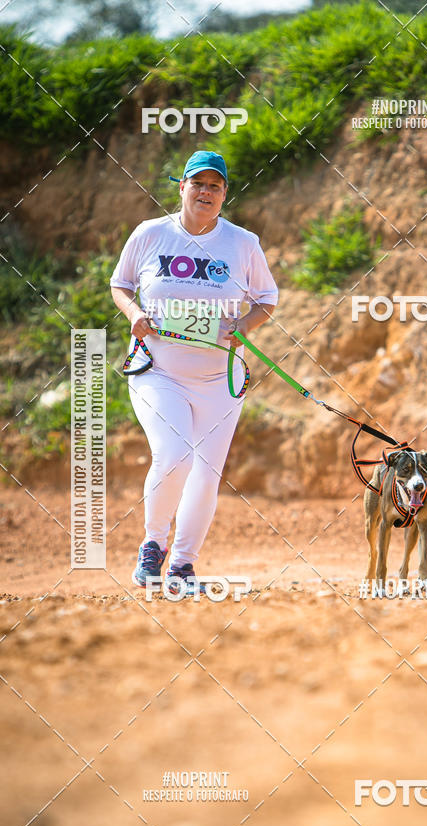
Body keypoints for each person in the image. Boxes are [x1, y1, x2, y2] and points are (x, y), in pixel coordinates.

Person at [110, 150, 278, 594]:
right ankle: (152, 545)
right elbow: (120, 284)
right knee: (175, 453)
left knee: (206, 472)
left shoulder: (243, 243)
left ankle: (183, 566)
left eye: (215, 186)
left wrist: (242, 326)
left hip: (219, 379)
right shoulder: (150, 234)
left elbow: (266, 298)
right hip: (158, 369)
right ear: (181, 187)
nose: (206, 192)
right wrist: (133, 314)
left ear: (225, 194)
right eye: (197, 183)